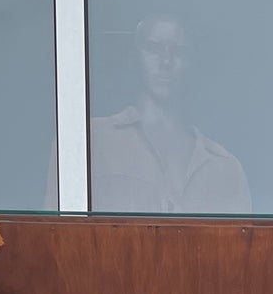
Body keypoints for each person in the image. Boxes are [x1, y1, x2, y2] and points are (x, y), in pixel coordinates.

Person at [90, 15, 250, 214]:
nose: (166, 60)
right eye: (153, 48)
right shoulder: (94, 141)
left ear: (191, 62)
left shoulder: (225, 169)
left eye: (178, 50)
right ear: (135, 56)